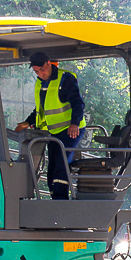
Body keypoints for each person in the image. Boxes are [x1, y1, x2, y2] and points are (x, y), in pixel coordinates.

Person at [15, 52, 86, 200]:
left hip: (70, 130)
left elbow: (78, 103)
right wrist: (28, 122)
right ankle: (54, 198)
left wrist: (75, 124)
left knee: (62, 163)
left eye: (42, 69)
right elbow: (40, 109)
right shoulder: (40, 83)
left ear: (49, 63)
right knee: (52, 166)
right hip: (53, 132)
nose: (40, 74)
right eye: (36, 71)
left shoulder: (66, 79)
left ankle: (60, 200)